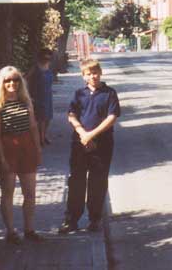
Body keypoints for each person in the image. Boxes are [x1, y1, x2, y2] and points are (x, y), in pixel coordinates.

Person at [59, 59, 121, 234]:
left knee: (98, 182)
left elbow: (112, 117)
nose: (92, 76)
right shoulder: (79, 93)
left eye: (95, 72)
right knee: (76, 181)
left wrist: (91, 135)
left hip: (102, 144)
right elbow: (71, 115)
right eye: (88, 74)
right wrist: (82, 133)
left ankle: (95, 219)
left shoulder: (109, 93)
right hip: (80, 144)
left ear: (100, 73)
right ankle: (71, 220)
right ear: (83, 76)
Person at [0, 66, 44, 244]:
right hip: (7, 148)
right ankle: (11, 232)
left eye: (15, 79)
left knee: (30, 192)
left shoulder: (26, 101)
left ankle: (29, 229)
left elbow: (33, 127)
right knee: (8, 193)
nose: (12, 83)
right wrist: (1, 158)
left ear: (20, 81)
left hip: (27, 147)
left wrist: (38, 149)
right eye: (7, 80)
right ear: (1, 83)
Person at [26, 48, 54, 146]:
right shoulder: (35, 68)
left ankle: (44, 135)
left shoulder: (49, 66)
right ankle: (41, 139)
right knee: (41, 118)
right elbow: (27, 80)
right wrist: (28, 94)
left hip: (48, 95)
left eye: (49, 57)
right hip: (37, 95)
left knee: (48, 117)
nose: (47, 59)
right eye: (45, 57)